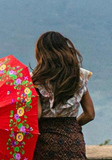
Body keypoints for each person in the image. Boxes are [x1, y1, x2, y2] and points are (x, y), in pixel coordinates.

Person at [31, 31, 95, 160]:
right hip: (73, 140)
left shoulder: (36, 80)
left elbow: (36, 115)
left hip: (45, 143)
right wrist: (72, 126)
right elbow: (90, 114)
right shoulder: (80, 76)